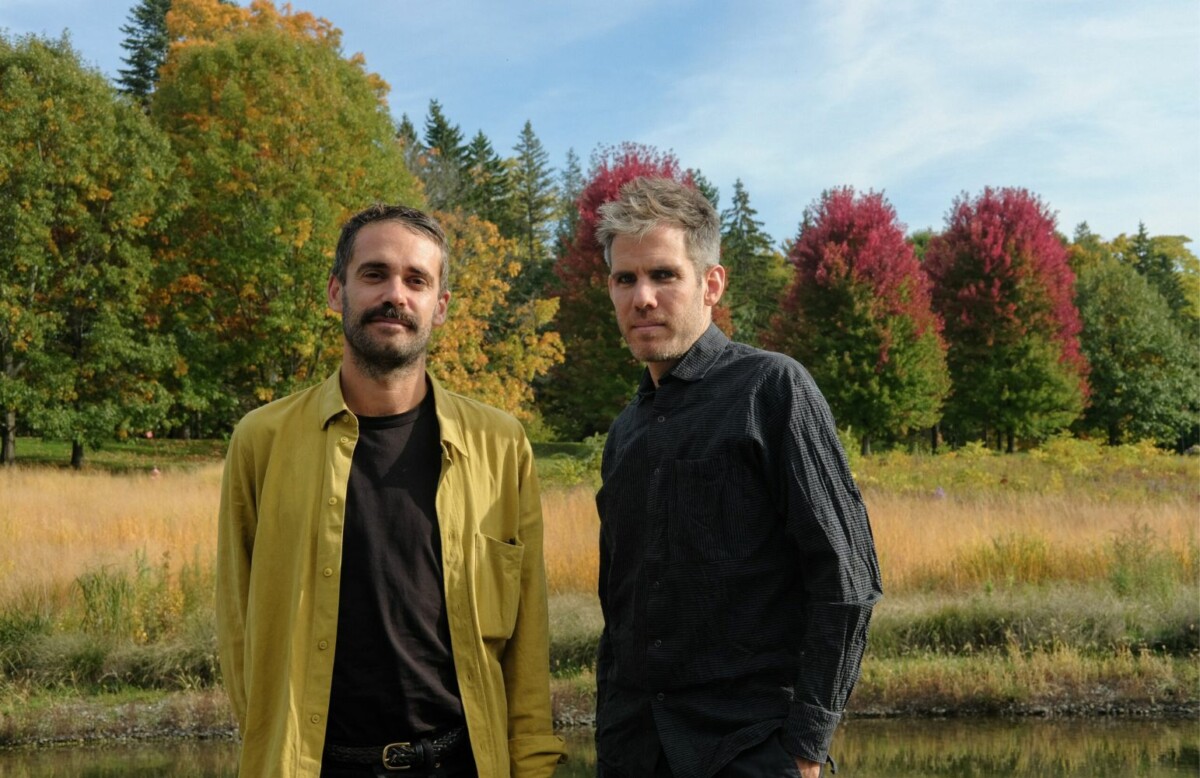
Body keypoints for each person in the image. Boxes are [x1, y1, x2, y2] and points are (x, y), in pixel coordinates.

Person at [216, 204, 567, 778]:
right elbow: (238, 630)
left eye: (417, 280)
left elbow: (528, 646)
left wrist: (530, 766)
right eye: (374, 274)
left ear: (441, 306)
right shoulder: (263, 441)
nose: (395, 295)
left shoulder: (501, 446)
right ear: (337, 292)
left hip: (462, 763)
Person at [592, 178, 883, 778]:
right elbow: (619, 613)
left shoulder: (771, 388)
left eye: (664, 275)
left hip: (747, 749)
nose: (642, 297)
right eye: (626, 279)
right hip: (636, 749)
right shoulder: (625, 432)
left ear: (712, 283)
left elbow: (847, 579)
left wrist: (805, 749)